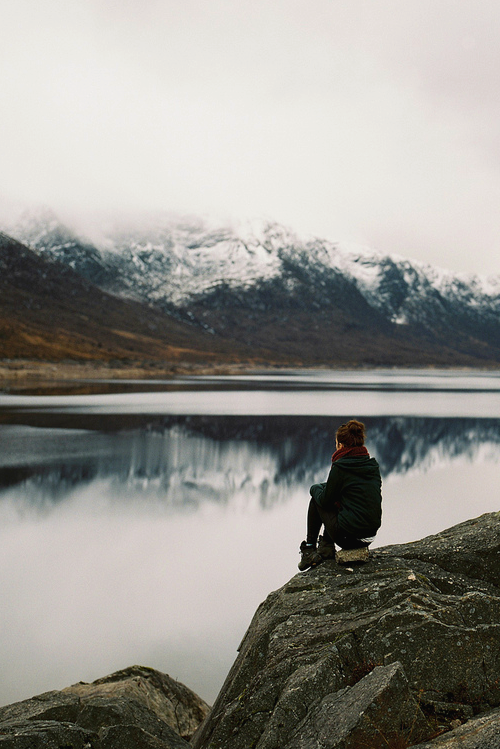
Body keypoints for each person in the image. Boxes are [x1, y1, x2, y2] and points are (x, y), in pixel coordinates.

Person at [298, 419, 382, 571]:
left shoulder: (341, 467)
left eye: (336, 444)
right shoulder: (371, 465)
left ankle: (310, 549)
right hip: (370, 536)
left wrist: (313, 488)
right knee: (330, 494)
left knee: (317, 498)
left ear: (341, 446)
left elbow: (324, 500)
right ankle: (325, 548)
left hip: (349, 538)